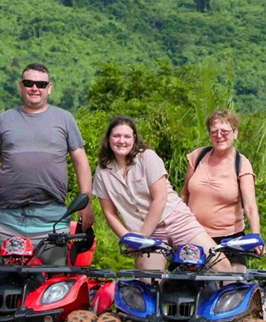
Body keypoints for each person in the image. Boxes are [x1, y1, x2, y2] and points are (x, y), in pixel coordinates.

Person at [0, 63, 93, 265]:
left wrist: (86, 200)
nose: (35, 88)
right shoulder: (4, 119)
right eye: (29, 83)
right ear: (21, 86)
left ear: (49, 88)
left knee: (56, 287)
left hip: (51, 222)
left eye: (40, 84)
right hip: (6, 221)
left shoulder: (64, 119)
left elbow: (81, 162)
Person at [93, 115, 231, 273]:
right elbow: (109, 212)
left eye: (127, 136)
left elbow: (160, 198)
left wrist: (142, 236)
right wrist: (129, 239)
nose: (121, 141)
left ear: (134, 139)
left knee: (221, 266)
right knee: (147, 279)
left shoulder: (147, 157)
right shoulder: (102, 171)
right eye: (116, 136)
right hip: (147, 232)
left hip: (176, 220)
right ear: (108, 139)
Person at [180, 109, 261, 272]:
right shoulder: (198, 156)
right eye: (214, 132)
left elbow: (250, 207)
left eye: (224, 131)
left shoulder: (242, 163)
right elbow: (184, 194)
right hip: (194, 235)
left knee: (232, 287)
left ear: (235, 133)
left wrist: (256, 236)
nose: (219, 135)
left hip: (229, 240)